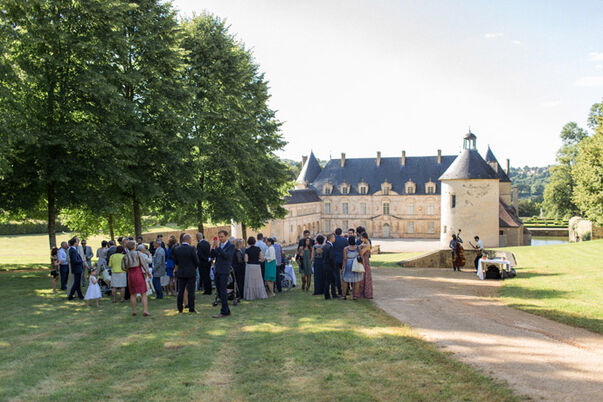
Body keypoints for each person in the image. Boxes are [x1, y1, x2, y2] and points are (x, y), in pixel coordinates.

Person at [172, 234, 200, 313]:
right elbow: (196, 261)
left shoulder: (177, 249)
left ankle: (180, 308)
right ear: (188, 239)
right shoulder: (192, 249)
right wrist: (193, 267)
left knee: (180, 290)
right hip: (191, 272)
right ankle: (191, 308)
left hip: (181, 272)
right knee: (191, 291)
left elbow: (176, 261)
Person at [210, 230, 235, 318]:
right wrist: (213, 247)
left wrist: (218, 248)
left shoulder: (231, 246)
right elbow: (212, 255)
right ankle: (226, 310)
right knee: (219, 292)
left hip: (224, 271)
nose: (220, 238)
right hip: (217, 270)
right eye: (219, 237)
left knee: (223, 291)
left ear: (226, 236)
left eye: (222, 237)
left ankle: (224, 311)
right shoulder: (219, 246)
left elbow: (226, 256)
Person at [123, 241, 150, 316]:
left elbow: (123, 267)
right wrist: (148, 273)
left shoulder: (125, 256)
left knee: (132, 294)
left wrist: (128, 270)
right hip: (138, 272)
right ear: (134, 246)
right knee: (143, 293)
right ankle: (145, 310)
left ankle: (134, 311)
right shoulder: (138, 254)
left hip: (130, 274)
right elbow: (144, 264)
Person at [244, 236, 267, 300]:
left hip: (250, 266)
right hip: (257, 266)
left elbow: (246, 260)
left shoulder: (247, 250)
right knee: (258, 281)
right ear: (254, 242)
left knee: (250, 281)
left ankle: (251, 295)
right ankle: (259, 294)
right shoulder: (258, 249)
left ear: (248, 242)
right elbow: (262, 259)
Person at [358, 232, 373, 299]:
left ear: (364, 238)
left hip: (365, 261)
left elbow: (361, 252)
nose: (361, 239)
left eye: (362, 238)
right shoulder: (364, 243)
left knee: (366, 277)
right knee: (362, 277)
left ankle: (367, 293)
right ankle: (361, 292)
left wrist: (359, 248)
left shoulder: (367, 245)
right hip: (363, 261)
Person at [322, 234, 337, 299]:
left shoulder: (325, 246)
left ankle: (328, 294)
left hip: (325, 265)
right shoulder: (330, 246)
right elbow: (331, 258)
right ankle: (332, 294)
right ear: (331, 238)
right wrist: (333, 265)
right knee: (331, 281)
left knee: (327, 281)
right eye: (334, 237)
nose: (334, 239)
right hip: (329, 266)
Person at [332, 228, 346, 296]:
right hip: (343, 259)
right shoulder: (344, 239)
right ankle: (346, 289)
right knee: (344, 274)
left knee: (336, 275)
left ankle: (339, 290)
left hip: (335, 259)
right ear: (341, 232)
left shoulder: (333, 240)